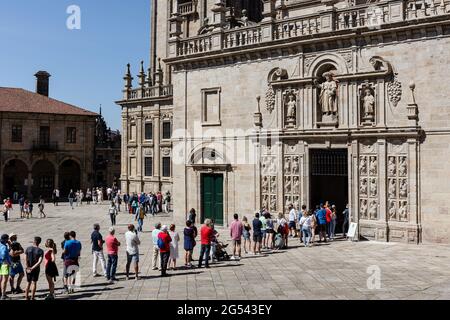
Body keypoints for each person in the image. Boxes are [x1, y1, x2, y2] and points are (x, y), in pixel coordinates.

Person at [0, 234, 11, 300]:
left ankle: (2, 293)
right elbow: (4, 256)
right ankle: (3, 295)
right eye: (8, 239)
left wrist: (9, 245)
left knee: (1, 279)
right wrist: (8, 263)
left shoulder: (1, 244)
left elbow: (7, 252)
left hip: (0, 263)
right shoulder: (4, 247)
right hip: (4, 264)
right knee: (4, 280)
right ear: (6, 239)